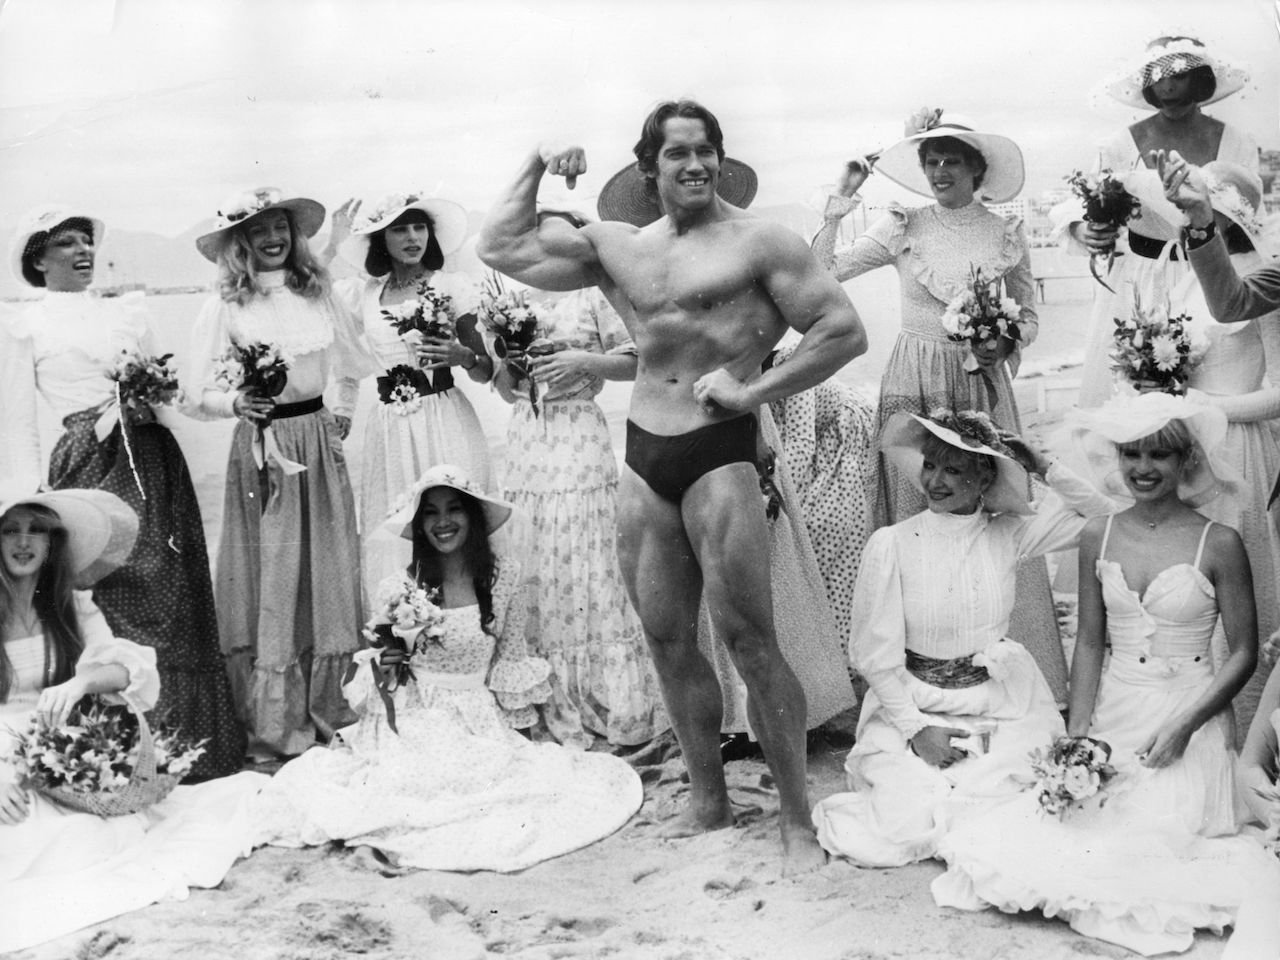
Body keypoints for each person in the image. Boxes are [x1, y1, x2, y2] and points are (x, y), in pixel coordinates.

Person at [477, 99, 867, 872]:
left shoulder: (762, 241)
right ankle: (709, 803)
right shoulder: (619, 247)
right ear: (648, 168)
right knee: (665, 638)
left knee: (752, 641)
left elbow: (843, 331)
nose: (694, 165)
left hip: (720, 449)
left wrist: (753, 394)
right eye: (677, 154)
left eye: (705, 151)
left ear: (720, 158)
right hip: (643, 455)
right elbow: (500, 245)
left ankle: (795, 817)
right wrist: (539, 153)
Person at [933, 393, 1278, 958]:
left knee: (1155, 842)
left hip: (1188, 709)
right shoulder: (1100, 533)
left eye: (1159, 456)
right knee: (1076, 827)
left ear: (1186, 460)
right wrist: (1078, 731)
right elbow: (1090, 641)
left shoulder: (1218, 542)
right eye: (1132, 454)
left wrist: (1187, 725)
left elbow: (1242, 654)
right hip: (1116, 705)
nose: (1143, 469)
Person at [251, 465, 642, 872]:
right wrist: (393, 641)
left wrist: (522, 741)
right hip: (416, 712)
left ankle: (385, 838)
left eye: (454, 509)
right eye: (431, 513)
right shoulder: (401, 587)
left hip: (477, 712)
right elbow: (389, 680)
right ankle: (373, 840)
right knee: (417, 783)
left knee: (506, 786)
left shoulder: (504, 577)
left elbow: (511, 661)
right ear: (419, 525)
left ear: (472, 517)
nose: (443, 522)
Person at [812, 109, 1069, 705]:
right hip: (915, 379)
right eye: (932, 160)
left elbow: (1028, 314)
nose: (940, 170)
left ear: (978, 168)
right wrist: (840, 202)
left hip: (981, 384)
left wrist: (1003, 341)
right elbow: (823, 273)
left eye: (953, 159)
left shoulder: (1006, 232)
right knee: (914, 509)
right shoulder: (905, 225)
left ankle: (1008, 659)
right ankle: (908, 677)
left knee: (998, 507)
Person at [811, 409, 1112, 868]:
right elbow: (873, 658)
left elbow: (1109, 519)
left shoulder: (1010, 534)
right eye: (930, 464)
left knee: (1013, 811)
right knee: (906, 826)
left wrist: (1042, 465)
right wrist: (918, 733)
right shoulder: (894, 544)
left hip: (1000, 706)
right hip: (912, 710)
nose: (935, 480)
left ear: (984, 476)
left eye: (953, 469)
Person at [5, 206, 244, 780]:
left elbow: (172, 398)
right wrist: (27, 507)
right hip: (85, 464)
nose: (83, 251)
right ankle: (118, 745)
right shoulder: (25, 326)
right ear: (39, 259)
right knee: (105, 590)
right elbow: (18, 423)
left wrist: (237, 406)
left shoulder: (129, 313)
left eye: (87, 241)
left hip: (151, 460)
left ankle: (191, 746)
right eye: (66, 243)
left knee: (169, 584)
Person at [0, 489, 267, 955]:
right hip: (3, 750)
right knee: (23, 841)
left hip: (53, 745)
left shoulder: (70, 605)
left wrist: (80, 683)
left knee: (104, 834)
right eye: (10, 530)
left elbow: (128, 667)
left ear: (52, 543)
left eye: (36, 530)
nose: (24, 542)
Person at [187, 187, 378, 761]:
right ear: (240, 243)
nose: (272, 239)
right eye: (258, 230)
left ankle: (332, 709)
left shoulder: (318, 293)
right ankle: (275, 724)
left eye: (281, 229)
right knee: (271, 573)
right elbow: (193, 391)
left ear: (294, 237)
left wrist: (340, 417)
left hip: (317, 439)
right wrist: (235, 405)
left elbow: (352, 364)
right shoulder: (226, 305)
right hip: (262, 447)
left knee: (329, 568)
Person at [493, 205, 667, 749]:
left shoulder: (596, 290)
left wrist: (581, 362)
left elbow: (641, 358)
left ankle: (604, 693)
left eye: (561, 233)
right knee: (535, 555)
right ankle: (539, 691)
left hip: (580, 434)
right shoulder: (510, 299)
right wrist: (515, 366)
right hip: (526, 437)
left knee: (590, 554)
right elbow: (503, 387)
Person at [1056, 35, 1257, 408]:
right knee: (1135, 390)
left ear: (1199, 78)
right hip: (1140, 278)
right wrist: (1087, 228)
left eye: (1178, 76)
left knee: (1208, 390)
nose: (1167, 86)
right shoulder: (1120, 143)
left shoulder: (1237, 141)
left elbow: (1250, 217)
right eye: (1157, 76)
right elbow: (1084, 202)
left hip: (1212, 280)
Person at [1152, 159, 1280, 741]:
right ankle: (1176, 713)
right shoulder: (1182, 273)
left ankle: (1245, 724)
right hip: (1186, 446)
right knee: (1182, 584)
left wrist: (1208, 407)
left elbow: (1277, 393)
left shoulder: (1264, 275)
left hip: (1239, 448)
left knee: (1243, 579)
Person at [324, 193, 495, 603]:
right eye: (400, 229)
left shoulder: (451, 287)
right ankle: (405, 626)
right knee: (398, 524)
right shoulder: (364, 295)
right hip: (389, 429)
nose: (412, 237)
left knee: (454, 516)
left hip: (444, 418)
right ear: (382, 239)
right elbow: (340, 347)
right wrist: (343, 412)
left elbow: (487, 368)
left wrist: (463, 355)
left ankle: (469, 617)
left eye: (419, 227)